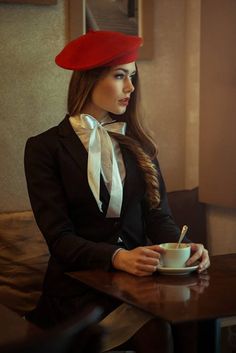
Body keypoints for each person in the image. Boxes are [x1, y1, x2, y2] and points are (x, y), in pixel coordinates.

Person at [24, 30, 210, 353]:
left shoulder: (140, 146)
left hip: (138, 288)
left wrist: (186, 247)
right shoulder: (44, 149)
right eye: (120, 76)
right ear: (90, 79)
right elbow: (60, 239)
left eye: (132, 77)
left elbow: (158, 217)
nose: (131, 88)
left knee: (191, 322)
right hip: (77, 293)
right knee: (157, 330)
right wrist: (117, 257)